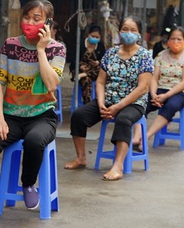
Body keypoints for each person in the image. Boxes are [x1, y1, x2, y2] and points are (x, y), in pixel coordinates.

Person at [0, 0, 65, 223]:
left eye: (37, 19)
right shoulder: (10, 45)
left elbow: (52, 84)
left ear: (47, 23)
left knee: (34, 140)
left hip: (42, 115)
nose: (29, 22)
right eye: (27, 17)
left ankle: (29, 184)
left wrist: (41, 50)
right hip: (11, 115)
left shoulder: (57, 49)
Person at [63, 16, 153, 181]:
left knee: (124, 120)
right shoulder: (110, 53)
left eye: (133, 30)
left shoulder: (144, 56)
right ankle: (81, 157)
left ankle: (118, 166)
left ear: (139, 34)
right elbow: (100, 82)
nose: (128, 33)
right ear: (119, 32)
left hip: (133, 102)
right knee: (78, 116)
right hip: (108, 100)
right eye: (125, 29)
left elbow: (143, 88)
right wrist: (101, 102)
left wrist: (118, 106)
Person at [135, 26, 184, 147]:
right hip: (160, 88)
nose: (175, 42)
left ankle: (146, 136)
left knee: (171, 105)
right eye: (172, 39)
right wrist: (153, 94)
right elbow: (154, 77)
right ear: (168, 41)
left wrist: (166, 96)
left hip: (181, 91)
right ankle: (137, 136)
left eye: (179, 39)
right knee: (140, 102)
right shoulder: (161, 55)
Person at [78, 25, 106, 104]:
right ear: (88, 35)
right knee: (86, 80)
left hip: (95, 71)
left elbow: (104, 60)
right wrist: (81, 66)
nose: (95, 38)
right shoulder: (80, 44)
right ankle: (87, 103)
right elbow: (73, 60)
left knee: (102, 70)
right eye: (93, 36)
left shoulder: (100, 45)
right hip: (80, 70)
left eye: (97, 37)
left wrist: (98, 62)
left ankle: (86, 74)